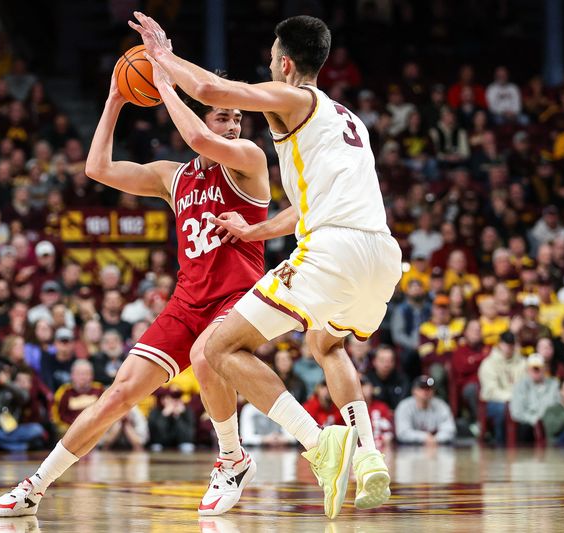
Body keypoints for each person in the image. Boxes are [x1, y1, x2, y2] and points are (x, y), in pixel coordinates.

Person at [132, 13, 400, 516]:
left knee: (216, 347)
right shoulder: (350, 121)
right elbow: (304, 208)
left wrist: (160, 57)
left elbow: (212, 89)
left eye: (272, 59)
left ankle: (318, 444)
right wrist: (256, 231)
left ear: (285, 62)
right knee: (328, 344)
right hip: (381, 254)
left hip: (333, 250)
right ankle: (368, 458)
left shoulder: (296, 98)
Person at [0, 54, 271, 518]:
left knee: (207, 355)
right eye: (223, 115)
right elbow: (97, 169)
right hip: (188, 300)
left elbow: (198, 137)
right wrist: (115, 99)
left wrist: (165, 86)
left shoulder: (249, 161)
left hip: (236, 297)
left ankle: (232, 457)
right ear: (204, 117)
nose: (233, 125)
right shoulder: (173, 176)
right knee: (117, 396)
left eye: (238, 117)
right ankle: (35, 486)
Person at [509, 354, 560, 442]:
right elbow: (516, 412)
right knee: (524, 429)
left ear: (544, 368)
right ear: (528, 370)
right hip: (529, 423)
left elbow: (558, 406)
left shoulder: (554, 384)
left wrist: (544, 420)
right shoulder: (520, 386)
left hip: (550, 422)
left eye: (538, 368)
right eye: (533, 369)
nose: (536, 371)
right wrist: (535, 420)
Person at [394, 375, 456, 445]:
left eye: (429, 388)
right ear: (414, 391)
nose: (426, 392)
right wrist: (424, 437)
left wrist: (436, 439)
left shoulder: (441, 406)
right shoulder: (404, 406)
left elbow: (450, 430)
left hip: (437, 445)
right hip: (410, 446)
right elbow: (402, 433)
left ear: (433, 391)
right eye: (422, 388)